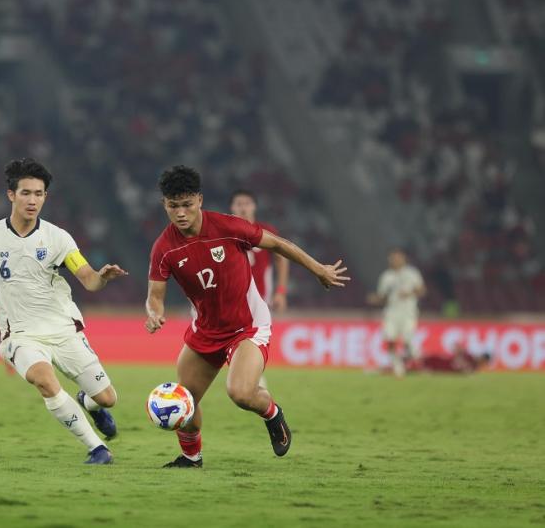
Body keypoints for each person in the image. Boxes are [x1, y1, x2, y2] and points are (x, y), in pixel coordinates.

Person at [145, 166, 349, 468]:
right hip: (205, 332)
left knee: (240, 393)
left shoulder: (229, 227)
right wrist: (154, 314)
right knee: (184, 401)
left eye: (187, 204)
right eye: (173, 206)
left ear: (200, 200)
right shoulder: (164, 248)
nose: (181, 213)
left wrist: (319, 269)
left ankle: (272, 413)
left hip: (247, 326)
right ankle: (191, 458)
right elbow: (155, 296)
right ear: (165, 205)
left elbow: (278, 244)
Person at [0, 158, 128, 465]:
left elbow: (87, 278)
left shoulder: (57, 238)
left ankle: (89, 402)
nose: (33, 200)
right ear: (11, 195)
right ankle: (96, 449)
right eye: (26, 193)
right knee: (44, 381)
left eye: (39, 193)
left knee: (108, 398)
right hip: (20, 335)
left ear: (45, 196)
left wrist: (101, 277)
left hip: (63, 329)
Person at [367, 248, 425, 377]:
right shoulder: (386, 276)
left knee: (407, 340)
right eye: (392, 259)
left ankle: (415, 360)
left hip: (408, 312)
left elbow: (422, 290)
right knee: (390, 339)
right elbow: (384, 297)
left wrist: (409, 293)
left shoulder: (412, 273)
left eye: (397, 258)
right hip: (391, 312)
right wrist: (375, 299)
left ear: (403, 259)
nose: (394, 261)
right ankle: (398, 367)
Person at [230, 190, 290, 312]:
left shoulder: (266, 231)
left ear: (254, 207)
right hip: (230, 299)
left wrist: (281, 292)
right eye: (239, 204)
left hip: (261, 300)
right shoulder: (225, 233)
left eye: (247, 204)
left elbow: (281, 260)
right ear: (232, 207)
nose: (243, 208)